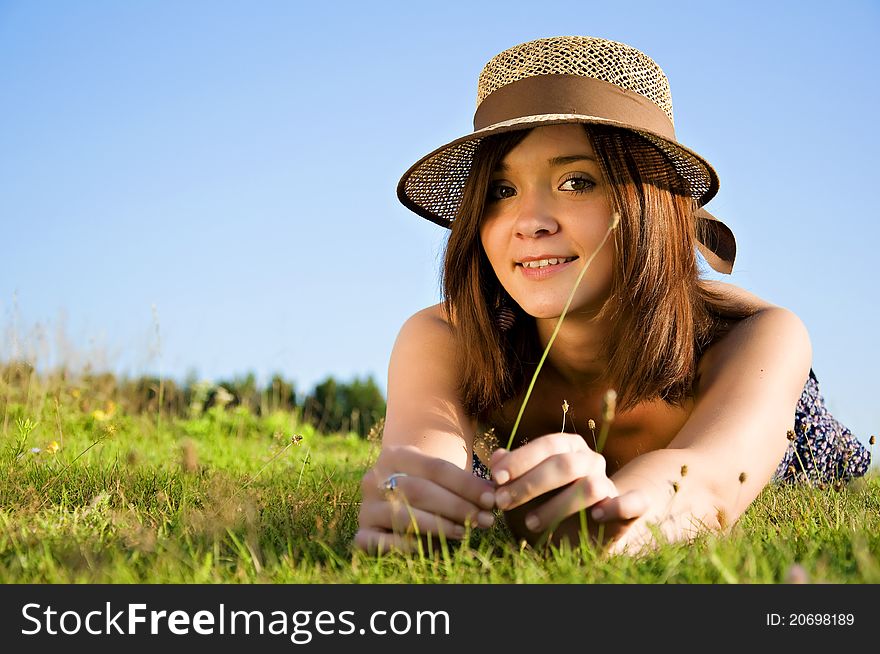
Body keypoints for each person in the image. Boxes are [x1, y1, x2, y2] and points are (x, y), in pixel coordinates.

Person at [355, 35, 871, 555]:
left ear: (647, 201)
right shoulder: (447, 336)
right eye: (501, 190)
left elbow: (705, 486)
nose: (529, 223)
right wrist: (413, 498)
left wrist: (620, 520)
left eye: (577, 182)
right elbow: (425, 457)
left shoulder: (752, 335)